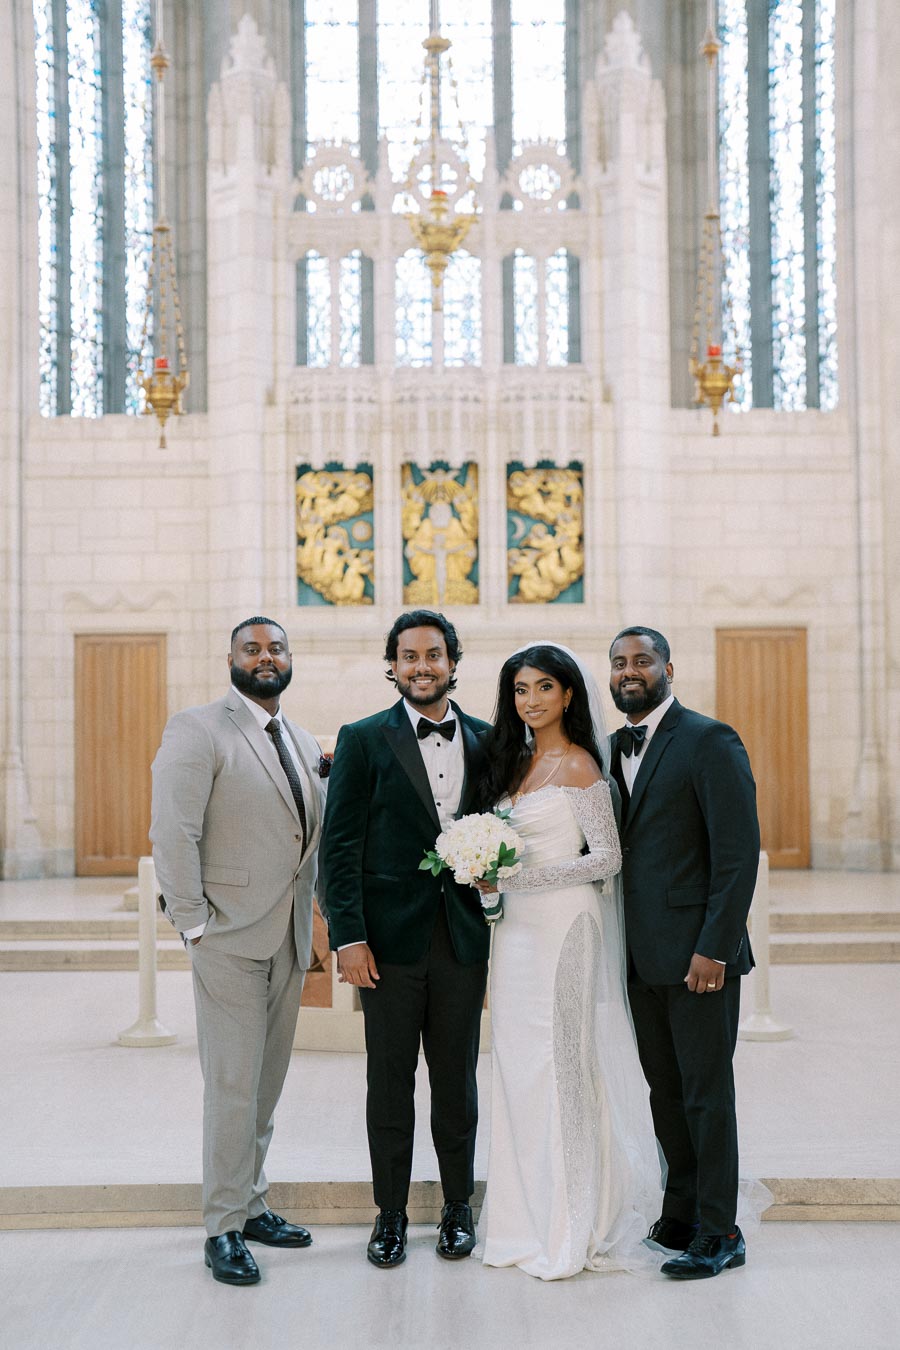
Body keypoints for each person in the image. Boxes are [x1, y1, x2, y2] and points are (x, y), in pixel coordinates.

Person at [474, 643, 663, 1280]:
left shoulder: (581, 765)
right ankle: (518, 1220)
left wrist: (518, 881)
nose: (531, 701)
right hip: (516, 936)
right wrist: (486, 874)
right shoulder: (515, 762)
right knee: (518, 1066)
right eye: (521, 690)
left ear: (569, 695)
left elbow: (606, 858)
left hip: (564, 926)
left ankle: (570, 1219)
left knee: (562, 1063)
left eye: (543, 689)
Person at [150, 617, 327, 1286]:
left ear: (289, 658)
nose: (264, 657)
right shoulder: (198, 730)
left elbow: (304, 836)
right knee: (231, 1085)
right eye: (251, 648)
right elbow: (173, 829)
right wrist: (193, 924)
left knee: (266, 1083)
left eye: (275, 647)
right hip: (227, 937)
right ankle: (223, 1225)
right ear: (230, 658)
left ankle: (252, 1205)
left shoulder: (303, 740)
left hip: (285, 938)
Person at [319, 611, 491, 1269]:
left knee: (458, 1085)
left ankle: (457, 1209)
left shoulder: (488, 738)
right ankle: (389, 1215)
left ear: (454, 661)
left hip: (461, 941)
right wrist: (349, 938)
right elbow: (340, 848)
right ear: (392, 665)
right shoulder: (362, 740)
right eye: (409, 656)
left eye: (435, 654)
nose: (423, 666)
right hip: (385, 947)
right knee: (388, 1085)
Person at [608, 625, 760, 1280]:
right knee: (664, 1091)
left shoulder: (709, 740)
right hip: (639, 956)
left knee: (705, 1092)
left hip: (701, 958)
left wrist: (715, 949)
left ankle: (721, 1228)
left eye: (642, 660)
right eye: (618, 663)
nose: (629, 671)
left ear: (670, 667)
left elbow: (735, 856)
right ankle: (681, 1209)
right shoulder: (611, 747)